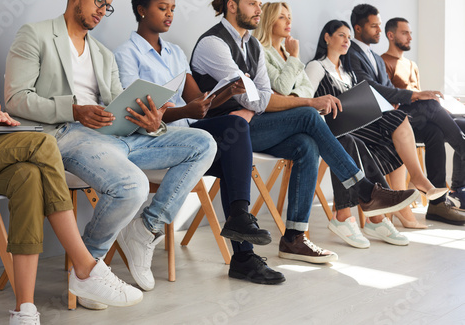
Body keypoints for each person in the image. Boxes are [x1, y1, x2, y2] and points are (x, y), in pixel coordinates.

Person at [4, 0, 217, 309]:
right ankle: (90, 269)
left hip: (116, 136)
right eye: (98, 2)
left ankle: (145, 230)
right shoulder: (34, 34)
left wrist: (150, 121)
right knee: (133, 185)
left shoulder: (102, 53)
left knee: (203, 143)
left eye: (108, 5)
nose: (103, 9)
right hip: (65, 135)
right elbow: (16, 99)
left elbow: (120, 104)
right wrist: (73, 110)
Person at [190, 0, 419, 265]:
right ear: (231, 5)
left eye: (260, 4)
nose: (258, 9)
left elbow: (260, 98)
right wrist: (269, 102)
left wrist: (258, 103)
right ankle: (365, 190)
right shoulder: (213, 43)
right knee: (310, 115)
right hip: (224, 131)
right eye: (252, 3)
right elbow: (251, 96)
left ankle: (294, 238)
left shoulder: (251, 45)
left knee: (306, 144)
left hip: (252, 124)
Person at [0, 1, 143, 323]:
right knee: (44, 142)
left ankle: (24, 309)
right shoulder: (34, 34)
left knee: (29, 177)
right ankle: (85, 267)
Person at [114, 0, 284, 285]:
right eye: (162, 8)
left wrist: (228, 91)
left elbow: (198, 102)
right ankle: (242, 253)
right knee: (233, 154)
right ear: (142, 9)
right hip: (157, 140)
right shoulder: (126, 54)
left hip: (190, 132)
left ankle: (240, 224)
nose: (170, 14)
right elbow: (135, 111)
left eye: (172, 8)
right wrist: (185, 111)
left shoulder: (175, 53)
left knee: (236, 126)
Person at [253, 3, 438, 249]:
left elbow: (303, 91)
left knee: (355, 139)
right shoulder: (264, 51)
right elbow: (289, 92)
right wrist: (296, 64)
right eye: (282, 17)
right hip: (295, 122)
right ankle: (368, 197)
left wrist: (297, 87)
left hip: (316, 123)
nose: (289, 22)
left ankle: (361, 215)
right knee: (346, 130)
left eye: (290, 16)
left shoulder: (290, 56)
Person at [304, 19, 450, 233]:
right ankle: (413, 183)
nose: (347, 40)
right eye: (341, 35)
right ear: (327, 37)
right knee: (398, 119)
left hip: (355, 124)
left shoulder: (348, 72)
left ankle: (392, 206)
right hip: (332, 127)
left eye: (348, 37)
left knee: (395, 132)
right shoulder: (317, 66)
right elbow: (305, 102)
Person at [347, 3, 465, 225]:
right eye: (374, 26)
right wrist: (413, 95)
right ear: (358, 28)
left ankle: (437, 205)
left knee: (434, 132)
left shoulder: (373, 57)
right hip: (375, 120)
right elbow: (369, 87)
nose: (378, 31)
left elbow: (386, 90)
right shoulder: (351, 53)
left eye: (379, 26)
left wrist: (411, 97)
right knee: (429, 104)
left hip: (394, 115)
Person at [381, 17, 465, 212]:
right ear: (391, 35)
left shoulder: (412, 64)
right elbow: (389, 100)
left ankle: (447, 197)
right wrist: (428, 103)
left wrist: (441, 107)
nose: (410, 37)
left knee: (454, 124)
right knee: (430, 104)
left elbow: (420, 99)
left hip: (421, 120)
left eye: (410, 33)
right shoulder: (383, 62)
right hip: (400, 122)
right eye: (405, 33)